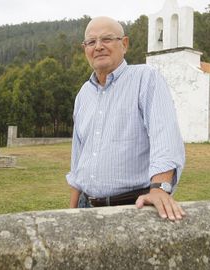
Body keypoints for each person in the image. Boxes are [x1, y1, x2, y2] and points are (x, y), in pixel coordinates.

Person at [66, 16, 186, 221]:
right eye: (91, 42)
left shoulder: (146, 79)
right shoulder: (83, 94)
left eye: (107, 39)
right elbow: (79, 158)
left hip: (133, 208)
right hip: (85, 208)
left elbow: (165, 137)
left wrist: (159, 189)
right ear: (84, 48)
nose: (98, 47)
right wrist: (71, 210)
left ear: (125, 44)